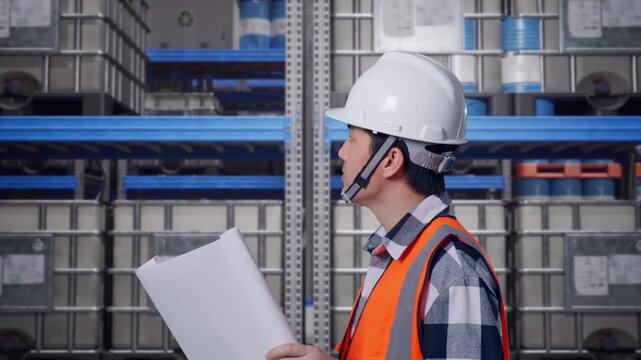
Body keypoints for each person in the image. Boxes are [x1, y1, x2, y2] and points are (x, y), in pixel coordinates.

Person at [266, 51, 509, 360]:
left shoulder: (452, 272)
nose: (342, 152)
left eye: (352, 138)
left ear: (390, 160)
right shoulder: (396, 255)